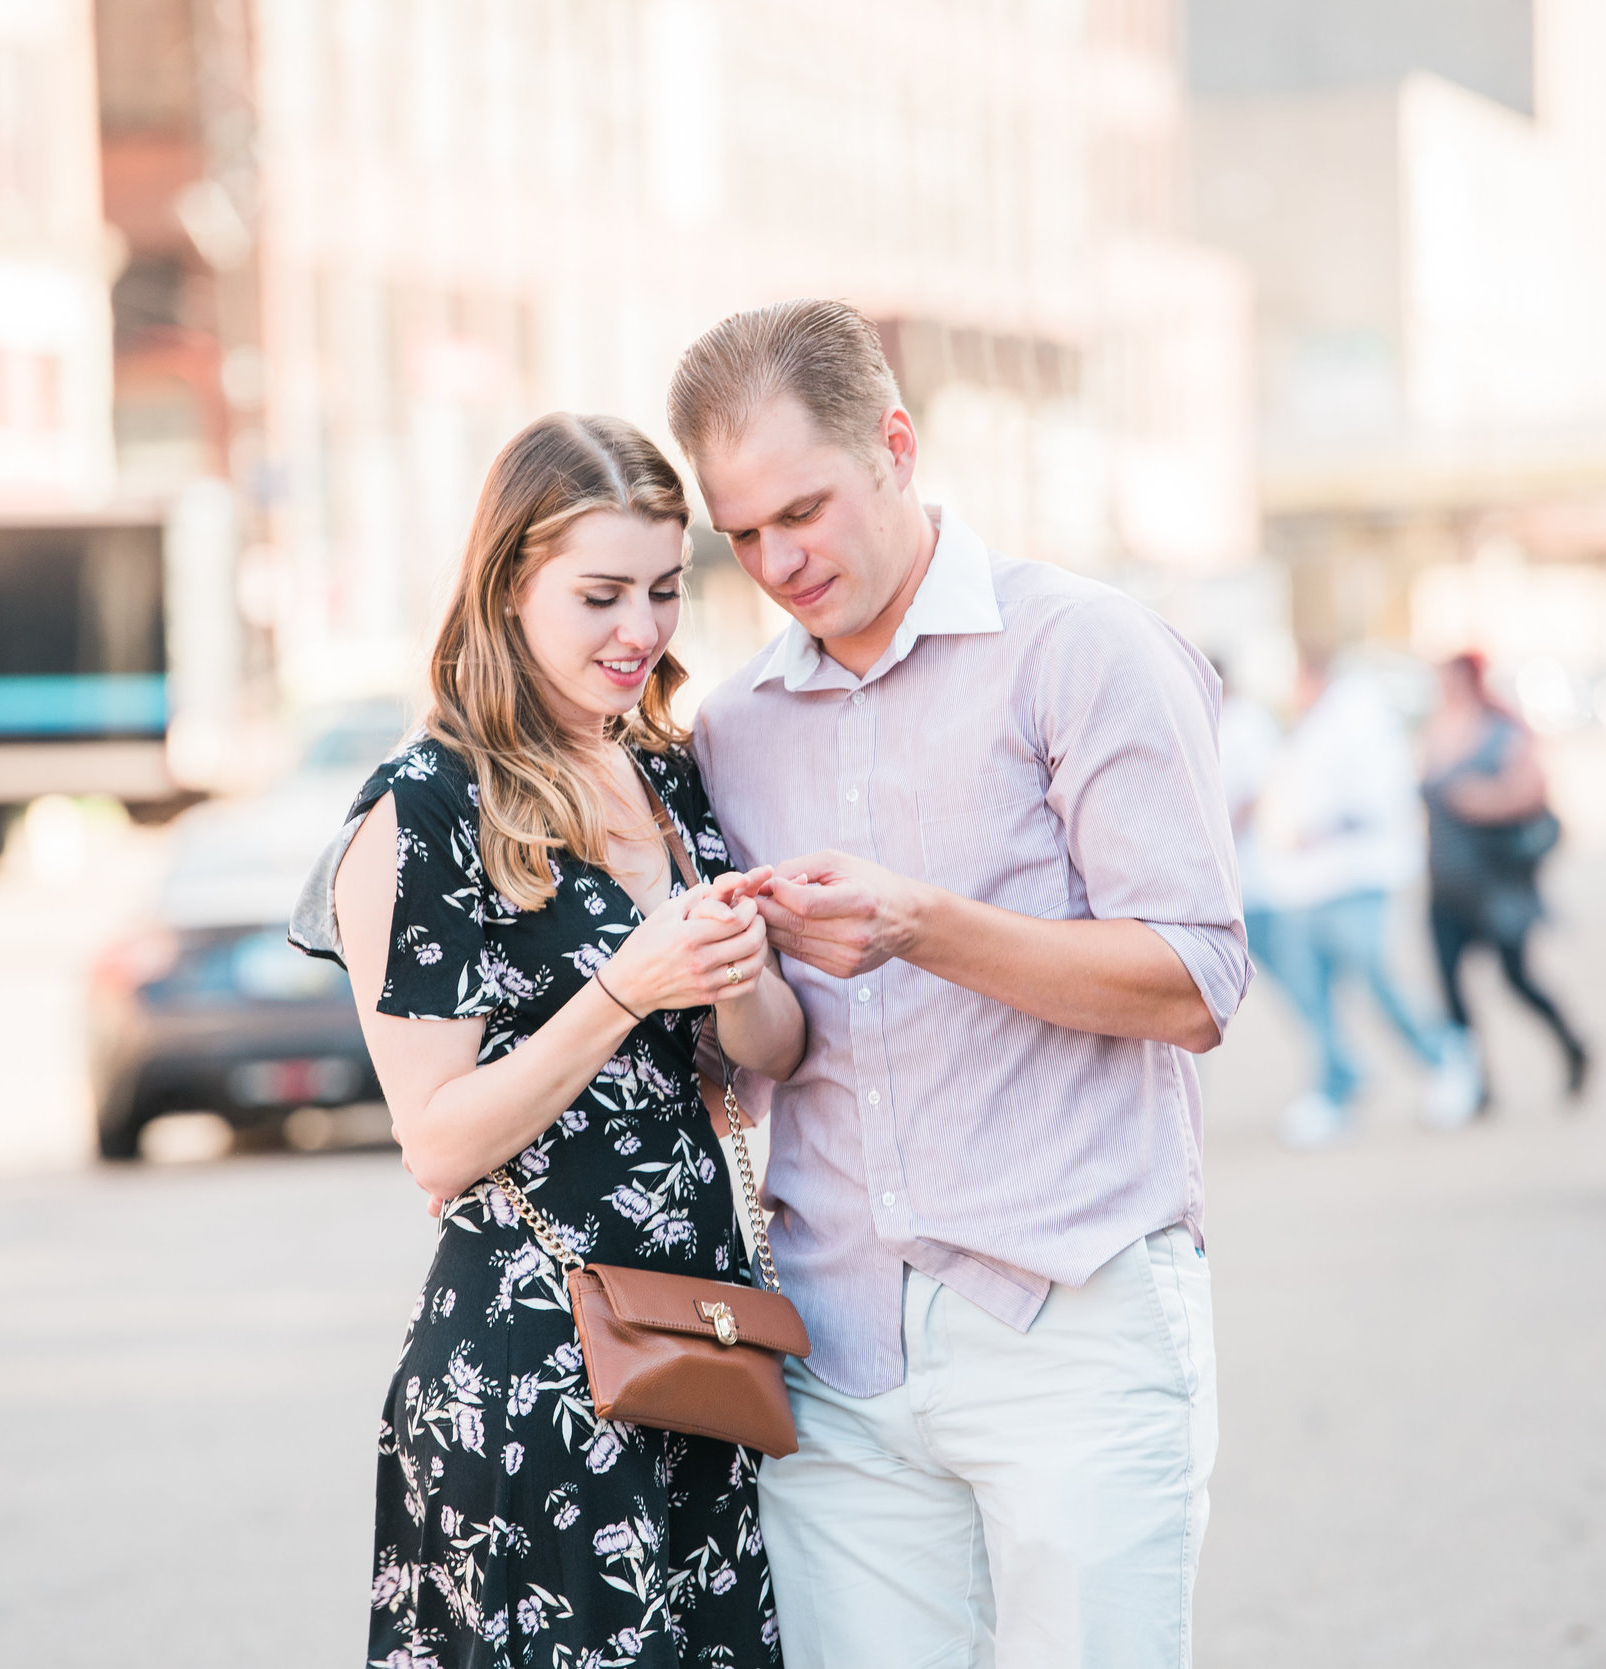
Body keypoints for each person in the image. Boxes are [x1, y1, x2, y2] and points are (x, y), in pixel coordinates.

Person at [670, 300, 1243, 1669]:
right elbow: (767, 1057)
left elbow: (1193, 981)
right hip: (836, 1353)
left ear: (898, 447)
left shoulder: (1085, 649)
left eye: (803, 508)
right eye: (741, 533)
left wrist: (922, 923)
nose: (779, 559)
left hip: (1077, 1320)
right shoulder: (732, 731)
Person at [324, 413, 809, 1666]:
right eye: (599, 595)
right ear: (507, 584)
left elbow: (760, 1060)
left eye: (662, 589)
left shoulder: (665, 773)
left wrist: (738, 974)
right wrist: (624, 989)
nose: (639, 631)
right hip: (535, 1377)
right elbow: (437, 1146)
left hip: (701, 1351)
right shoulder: (425, 809)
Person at [1240, 650, 1482, 1147]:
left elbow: (1380, 797)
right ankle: (1336, 1084)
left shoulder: (1358, 718)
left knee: (1374, 975)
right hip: (1305, 881)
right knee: (1311, 990)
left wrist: (1321, 830)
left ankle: (1444, 1058)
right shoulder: (1311, 726)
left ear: (1314, 675)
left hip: (1355, 875)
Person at [1420, 651, 1589, 1104]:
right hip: (1445, 886)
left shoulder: (1502, 730)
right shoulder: (1437, 729)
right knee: (1450, 992)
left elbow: (1534, 790)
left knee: (1518, 982)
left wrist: (1483, 800)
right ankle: (1475, 1086)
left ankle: (1572, 1047)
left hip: (1495, 887)